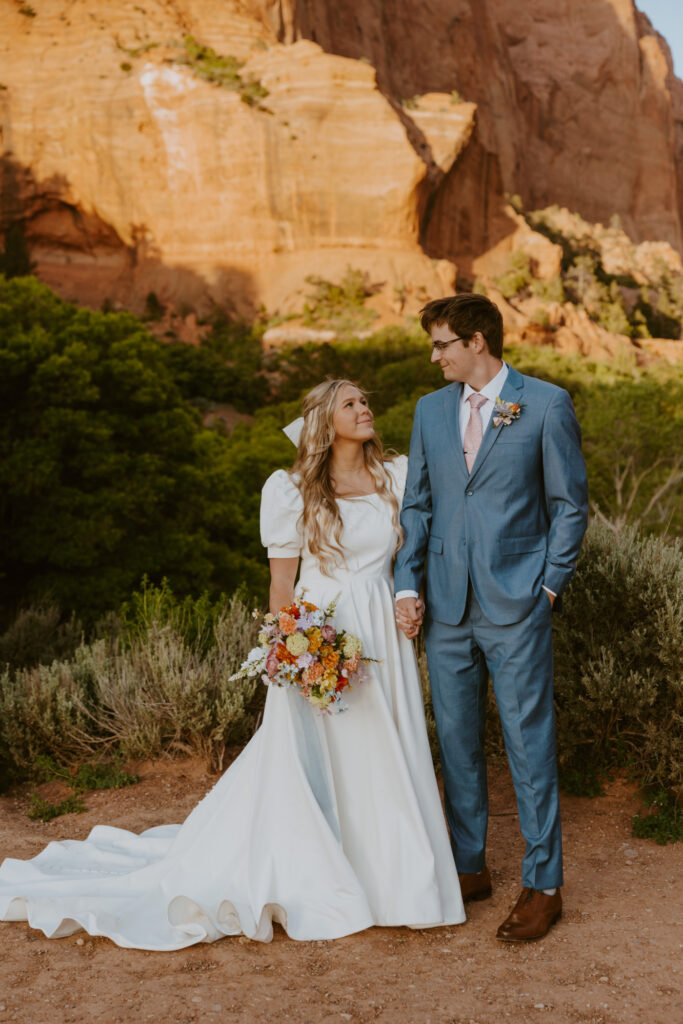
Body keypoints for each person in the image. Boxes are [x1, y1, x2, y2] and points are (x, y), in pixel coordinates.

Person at [0, 379, 465, 948]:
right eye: (351, 404)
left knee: (387, 746)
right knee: (334, 752)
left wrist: (407, 597)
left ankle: (398, 879)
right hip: (323, 631)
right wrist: (293, 649)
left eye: (366, 401)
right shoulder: (291, 489)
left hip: (382, 631)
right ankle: (330, 871)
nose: (365, 409)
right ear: (324, 420)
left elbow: (417, 545)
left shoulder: (394, 475)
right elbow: (281, 581)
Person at [394, 294, 588, 942]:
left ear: (477, 341)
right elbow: (416, 505)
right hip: (446, 605)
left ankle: (543, 884)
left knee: (528, 744)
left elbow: (568, 505)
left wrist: (549, 587)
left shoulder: (544, 403)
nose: (435, 356)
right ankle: (468, 865)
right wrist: (405, 583)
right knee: (455, 742)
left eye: (442, 343)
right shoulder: (428, 411)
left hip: (516, 604)